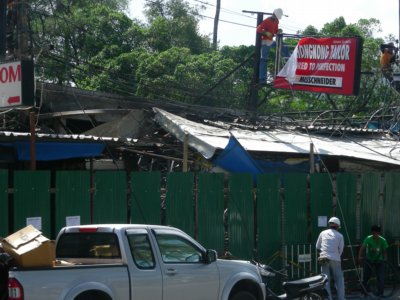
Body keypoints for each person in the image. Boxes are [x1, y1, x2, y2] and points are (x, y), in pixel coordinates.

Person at [316, 217, 345, 300]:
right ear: (337, 226)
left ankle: (328, 298)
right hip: (335, 259)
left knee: (325, 280)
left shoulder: (322, 233)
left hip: (323, 258)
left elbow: (317, 246)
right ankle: (341, 298)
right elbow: (341, 249)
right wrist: (336, 255)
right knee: (339, 280)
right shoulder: (340, 236)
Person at [358, 224, 389, 297]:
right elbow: (362, 248)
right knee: (366, 276)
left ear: (379, 233)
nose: (375, 234)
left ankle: (380, 293)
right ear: (372, 232)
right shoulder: (368, 238)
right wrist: (359, 256)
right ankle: (363, 292)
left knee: (380, 277)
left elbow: (384, 251)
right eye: (374, 233)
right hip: (370, 260)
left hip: (379, 261)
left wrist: (385, 259)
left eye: (377, 233)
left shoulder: (383, 240)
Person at [256, 8, 283, 83]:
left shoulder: (276, 21)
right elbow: (259, 29)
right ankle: (262, 79)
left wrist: (278, 31)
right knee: (264, 59)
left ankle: (288, 58)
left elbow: (275, 30)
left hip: (270, 41)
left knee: (282, 46)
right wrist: (268, 34)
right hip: (265, 42)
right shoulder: (268, 20)